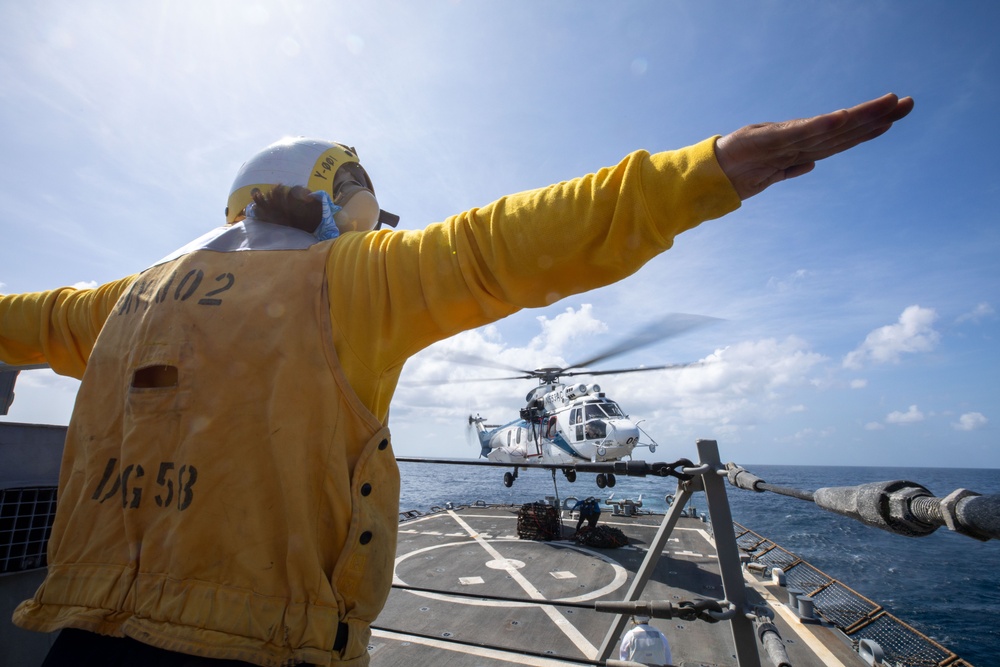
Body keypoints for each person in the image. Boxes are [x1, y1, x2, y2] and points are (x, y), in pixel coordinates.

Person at [0, 93, 913, 666]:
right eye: (374, 206)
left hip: (87, 633)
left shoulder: (116, 302)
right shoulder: (350, 276)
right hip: (260, 642)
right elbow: (507, 242)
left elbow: (16, 320)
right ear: (334, 191)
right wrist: (705, 172)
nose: (384, 223)